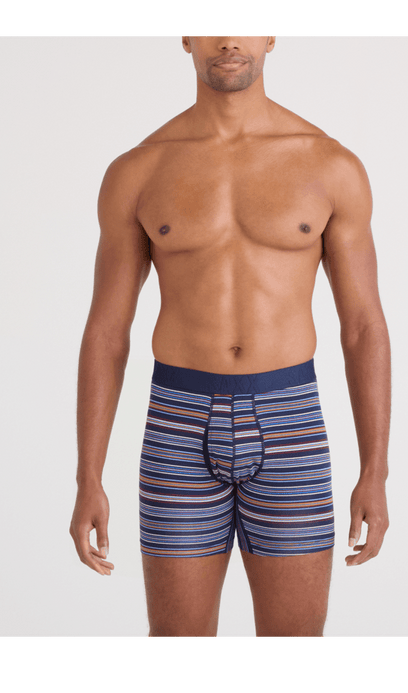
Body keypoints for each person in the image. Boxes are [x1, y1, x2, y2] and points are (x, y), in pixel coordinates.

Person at [69, 35, 391, 638]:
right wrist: (88, 475)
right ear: (185, 37)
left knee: (294, 648)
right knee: (178, 648)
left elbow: (363, 327)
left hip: (290, 418)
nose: (228, 38)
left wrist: (376, 469)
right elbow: (107, 332)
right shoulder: (139, 170)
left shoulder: (329, 166)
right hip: (178, 420)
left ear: (271, 35)